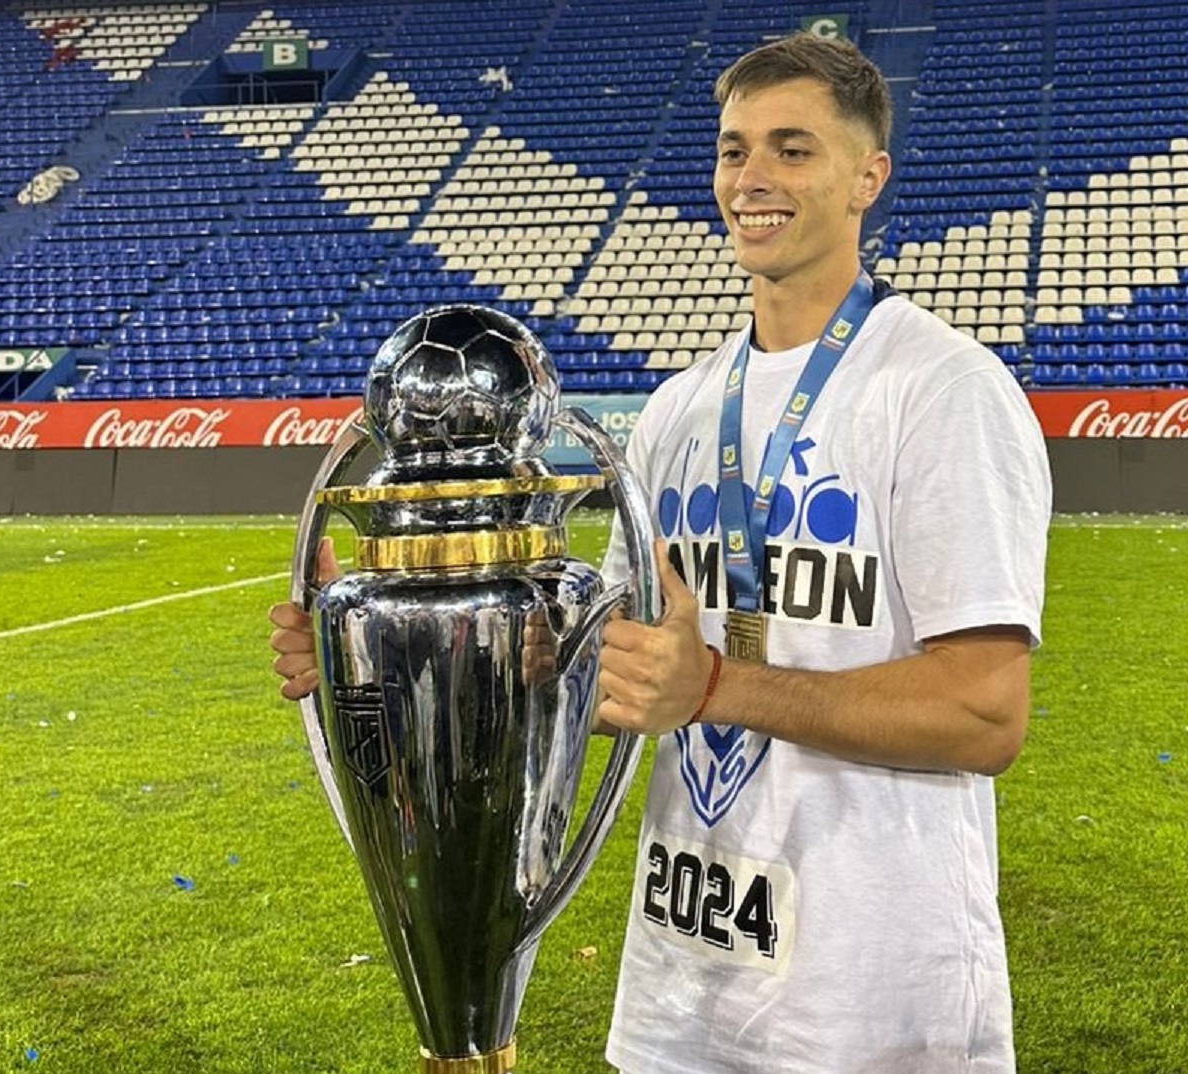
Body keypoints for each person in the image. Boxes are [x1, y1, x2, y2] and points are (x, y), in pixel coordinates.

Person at [270, 31, 1050, 1074]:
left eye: (793, 148)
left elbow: (984, 713)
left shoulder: (940, 390)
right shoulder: (680, 412)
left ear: (869, 178)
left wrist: (718, 685)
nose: (752, 179)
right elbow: (619, 689)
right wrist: (391, 665)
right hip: (682, 997)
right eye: (733, 151)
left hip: (868, 1008)